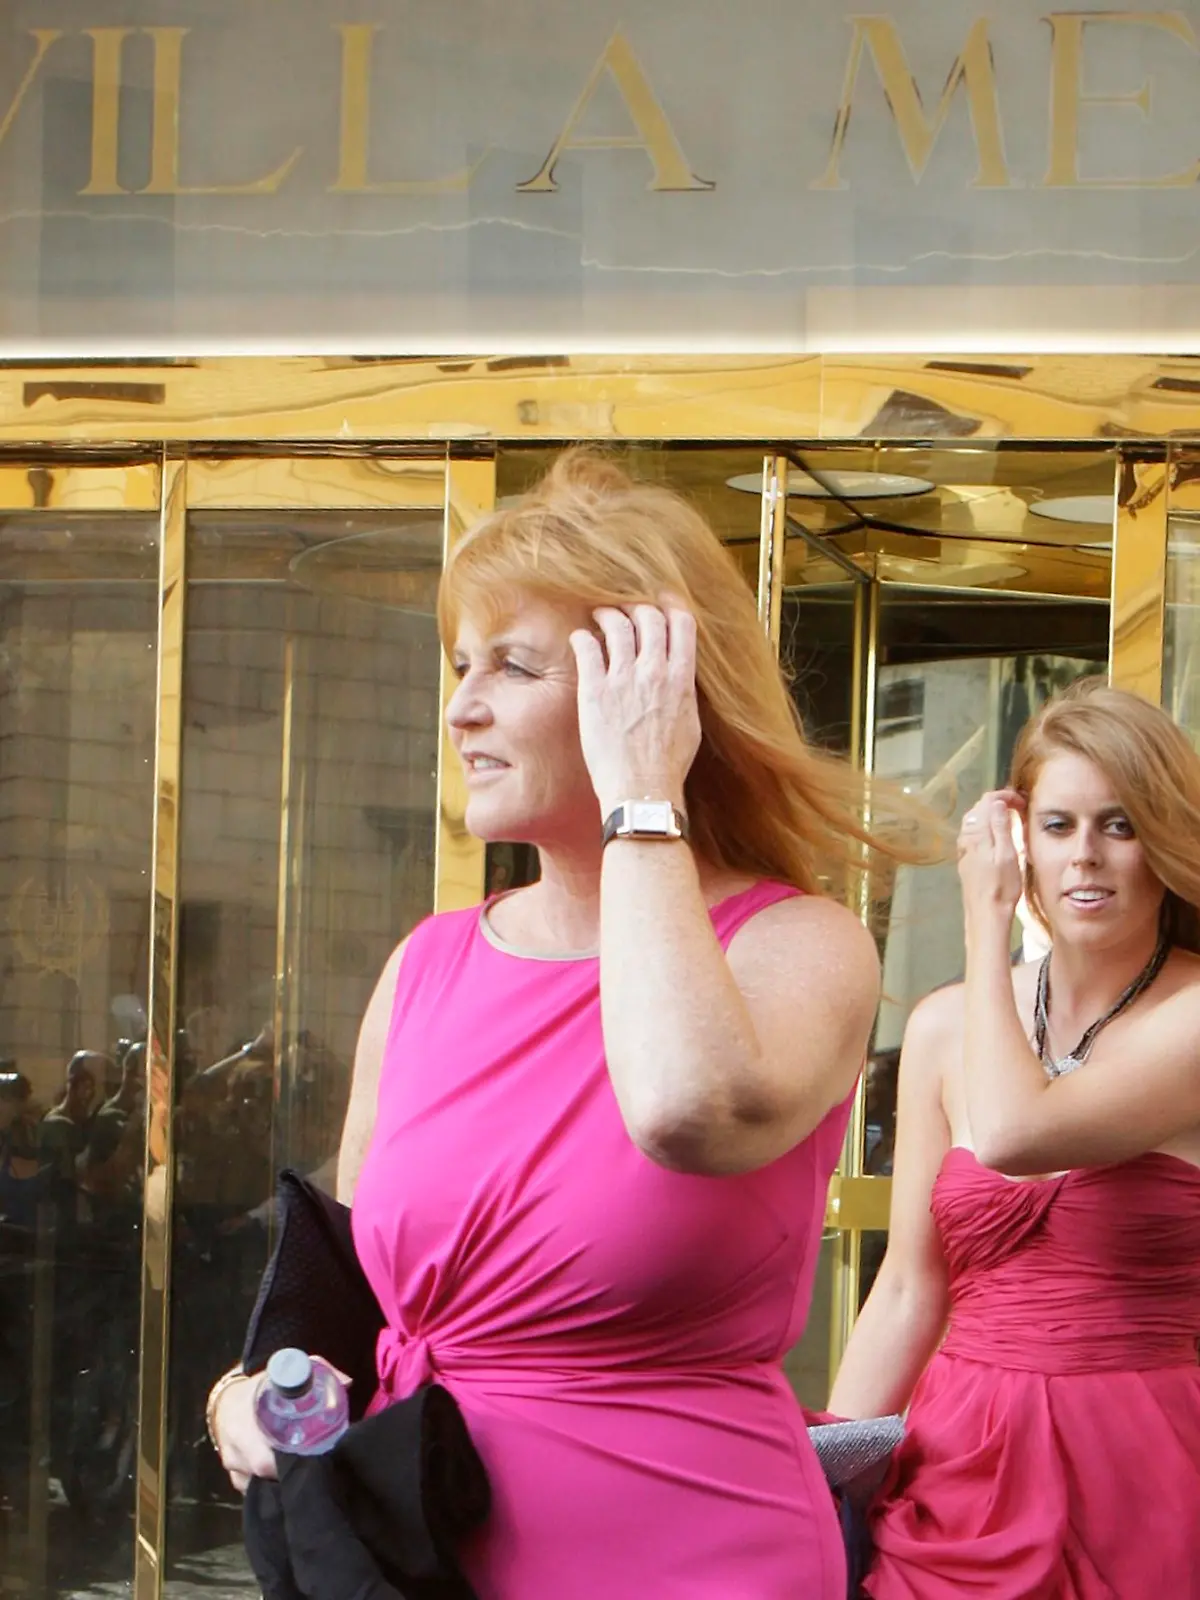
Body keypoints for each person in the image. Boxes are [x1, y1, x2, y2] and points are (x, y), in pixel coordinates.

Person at [208, 449, 932, 1598]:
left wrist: (643, 792)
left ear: (647, 689)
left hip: (696, 1555)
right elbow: (345, 1283)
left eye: (512, 665)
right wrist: (243, 1392)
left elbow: (686, 1107)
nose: (462, 706)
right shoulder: (429, 964)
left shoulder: (794, 944)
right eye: (458, 664)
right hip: (423, 1551)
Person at [830, 678, 1200, 1597]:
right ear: (1019, 838)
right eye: (1060, 825)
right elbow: (912, 1286)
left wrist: (985, 917)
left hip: (1148, 1466)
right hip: (963, 1463)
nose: (1088, 858)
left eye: (1121, 826)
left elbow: (1008, 1131)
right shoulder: (945, 1029)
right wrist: (823, 1470)